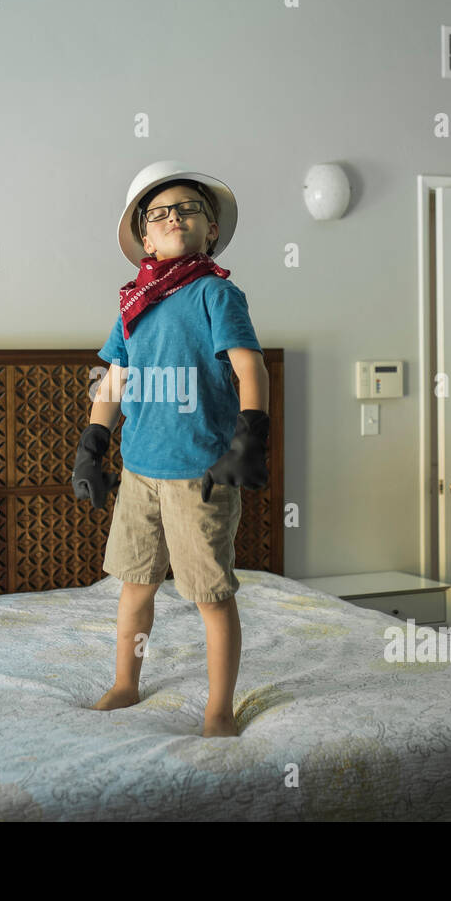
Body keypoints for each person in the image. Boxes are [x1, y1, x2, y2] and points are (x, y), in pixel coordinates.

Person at [72, 160, 270, 738]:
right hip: (139, 474)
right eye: (159, 214)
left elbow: (249, 365)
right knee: (134, 589)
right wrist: (93, 445)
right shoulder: (134, 304)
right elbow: (113, 380)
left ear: (210, 229)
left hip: (199, 474)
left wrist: (250, 436)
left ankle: (219, 709)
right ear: (144, 240)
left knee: (209, 595)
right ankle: (126, 682)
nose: (173, 218)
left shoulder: (216, 293)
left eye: (187, 209)